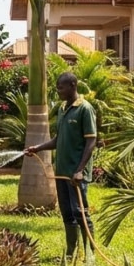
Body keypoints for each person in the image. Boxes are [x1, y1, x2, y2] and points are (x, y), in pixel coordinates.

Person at [24, 72, 97, 256]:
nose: (58, 91)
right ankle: (71, 252)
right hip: (62, 172)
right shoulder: (64, 108)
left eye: (61, 87)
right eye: (57, 87)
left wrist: (80, 170)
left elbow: (91, 141)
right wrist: (38, 148)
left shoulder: (84, 109)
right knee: (67, 212)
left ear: (73, 85)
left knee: (80, 211)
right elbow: (58, 139)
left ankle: (90, 252)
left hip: (76, 174)